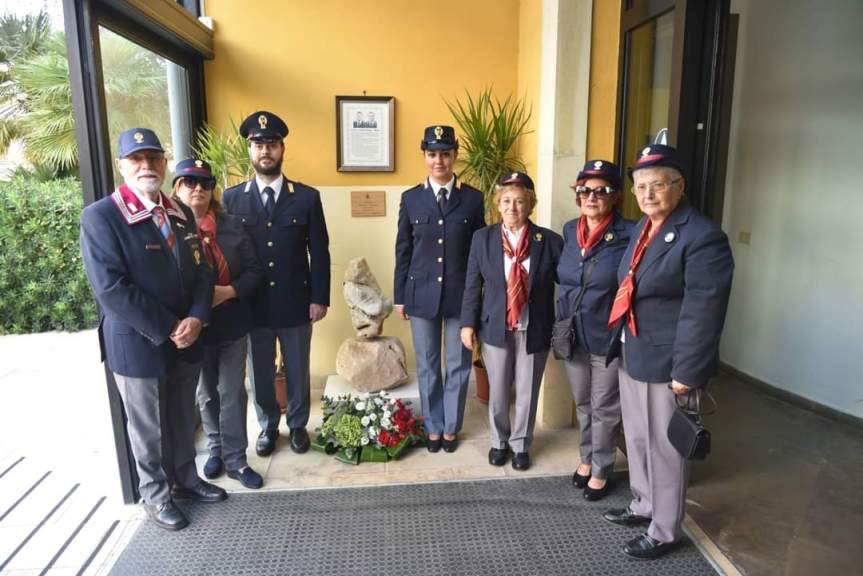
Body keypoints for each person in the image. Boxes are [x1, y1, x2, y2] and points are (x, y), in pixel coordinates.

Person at [80, 128, 227, 531]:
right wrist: (169, 327)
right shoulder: (101, 216)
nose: (146, 166)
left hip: (188, 336)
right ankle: (156, 495)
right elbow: (111, 288)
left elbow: (203, 270)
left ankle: (185, 479)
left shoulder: (179, 211)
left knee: (183, 414)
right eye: (136, 159)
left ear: (164, 162)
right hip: (139, 342)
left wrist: (196, 318)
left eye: (153, 158)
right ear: (121, 166)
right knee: (146, 426)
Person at [602, 144, 734, 559]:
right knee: (638, 440)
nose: (647, 194)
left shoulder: (702, 236)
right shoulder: (643, 229)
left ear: (679, 187)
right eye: (640, 186)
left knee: (666, 449)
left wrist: (687, 371)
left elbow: (703, 309)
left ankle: (664, 530)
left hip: (669, 364)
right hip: (634, 350)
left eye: (657, 184)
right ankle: (643, 504)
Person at [222, 111, 331, 458]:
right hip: (252, 304)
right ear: (250, 151)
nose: (264, 151)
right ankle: (268, 425)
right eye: (258, 145)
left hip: (296, 299)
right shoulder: (231, 199)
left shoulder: (306, 198)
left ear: (282, 148)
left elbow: (320, 252)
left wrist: (320, 297)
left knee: (298, 367)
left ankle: (298, 424)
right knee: (260, 370)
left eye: (270, 144)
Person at [172, 158, 265, 489]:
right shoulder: (170, 228)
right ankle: (215, 451)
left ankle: (237, 459)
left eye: (205, 184)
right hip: (194, 329)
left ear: (213, 190)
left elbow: (255, 271)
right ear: (177, 188)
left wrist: (228, 291)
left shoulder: (232, 226)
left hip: (232, 322)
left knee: (231, 391)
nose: (198, 189)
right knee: (207, 393)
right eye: (189, 182)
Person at [460, 172, 563, 471]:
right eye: (506, 201)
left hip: (534, 327)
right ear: (497, 204)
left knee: (529, 390)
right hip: (495, 327)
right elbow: (472, 284)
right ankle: (498, 441)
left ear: (531, 204)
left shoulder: (549, 241)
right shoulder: (483, 239)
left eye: (519, 201)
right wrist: (468, 323)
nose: (512, 207)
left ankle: (520, 445)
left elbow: (567, 281)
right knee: (499, 389)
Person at [393, 125, 485, 453]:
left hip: (460, 296)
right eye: (432, 154)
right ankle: (432, 426)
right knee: (429, 364)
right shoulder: (411, 198)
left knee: (458, 364)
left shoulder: (472, 199)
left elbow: (479, 253)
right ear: (425, 157)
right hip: (420, 295)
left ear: (455, 155)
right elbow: (403, 249)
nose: (439, 160)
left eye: (445, 153)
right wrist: (400, 296)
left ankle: (450, 427)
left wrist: (478, 300)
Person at [557, 160, 635, 500]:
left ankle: (602, 468)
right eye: (585, 190)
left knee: (605, 406)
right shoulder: (568, 231)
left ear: (615, 196)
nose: (592, 197)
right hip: (573, 335)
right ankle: (586, 458)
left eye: (601, 190)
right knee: (583, 403)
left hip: (607, 336)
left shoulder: (630, 233)